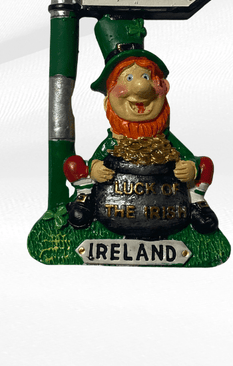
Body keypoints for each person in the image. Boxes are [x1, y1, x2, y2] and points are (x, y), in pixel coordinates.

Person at [66, 16, 218, 236]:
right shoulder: (114, 139)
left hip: (164, 204)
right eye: (128, 78)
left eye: (146, 76)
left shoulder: (164, 138)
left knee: (205, 164)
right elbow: (97, 158)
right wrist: (95, 168)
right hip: (117, 205)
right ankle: (85, 196)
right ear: (108, 100)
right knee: (72, 164)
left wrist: (191, 168)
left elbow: (188, 158)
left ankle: (197, 201)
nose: (140, 87)